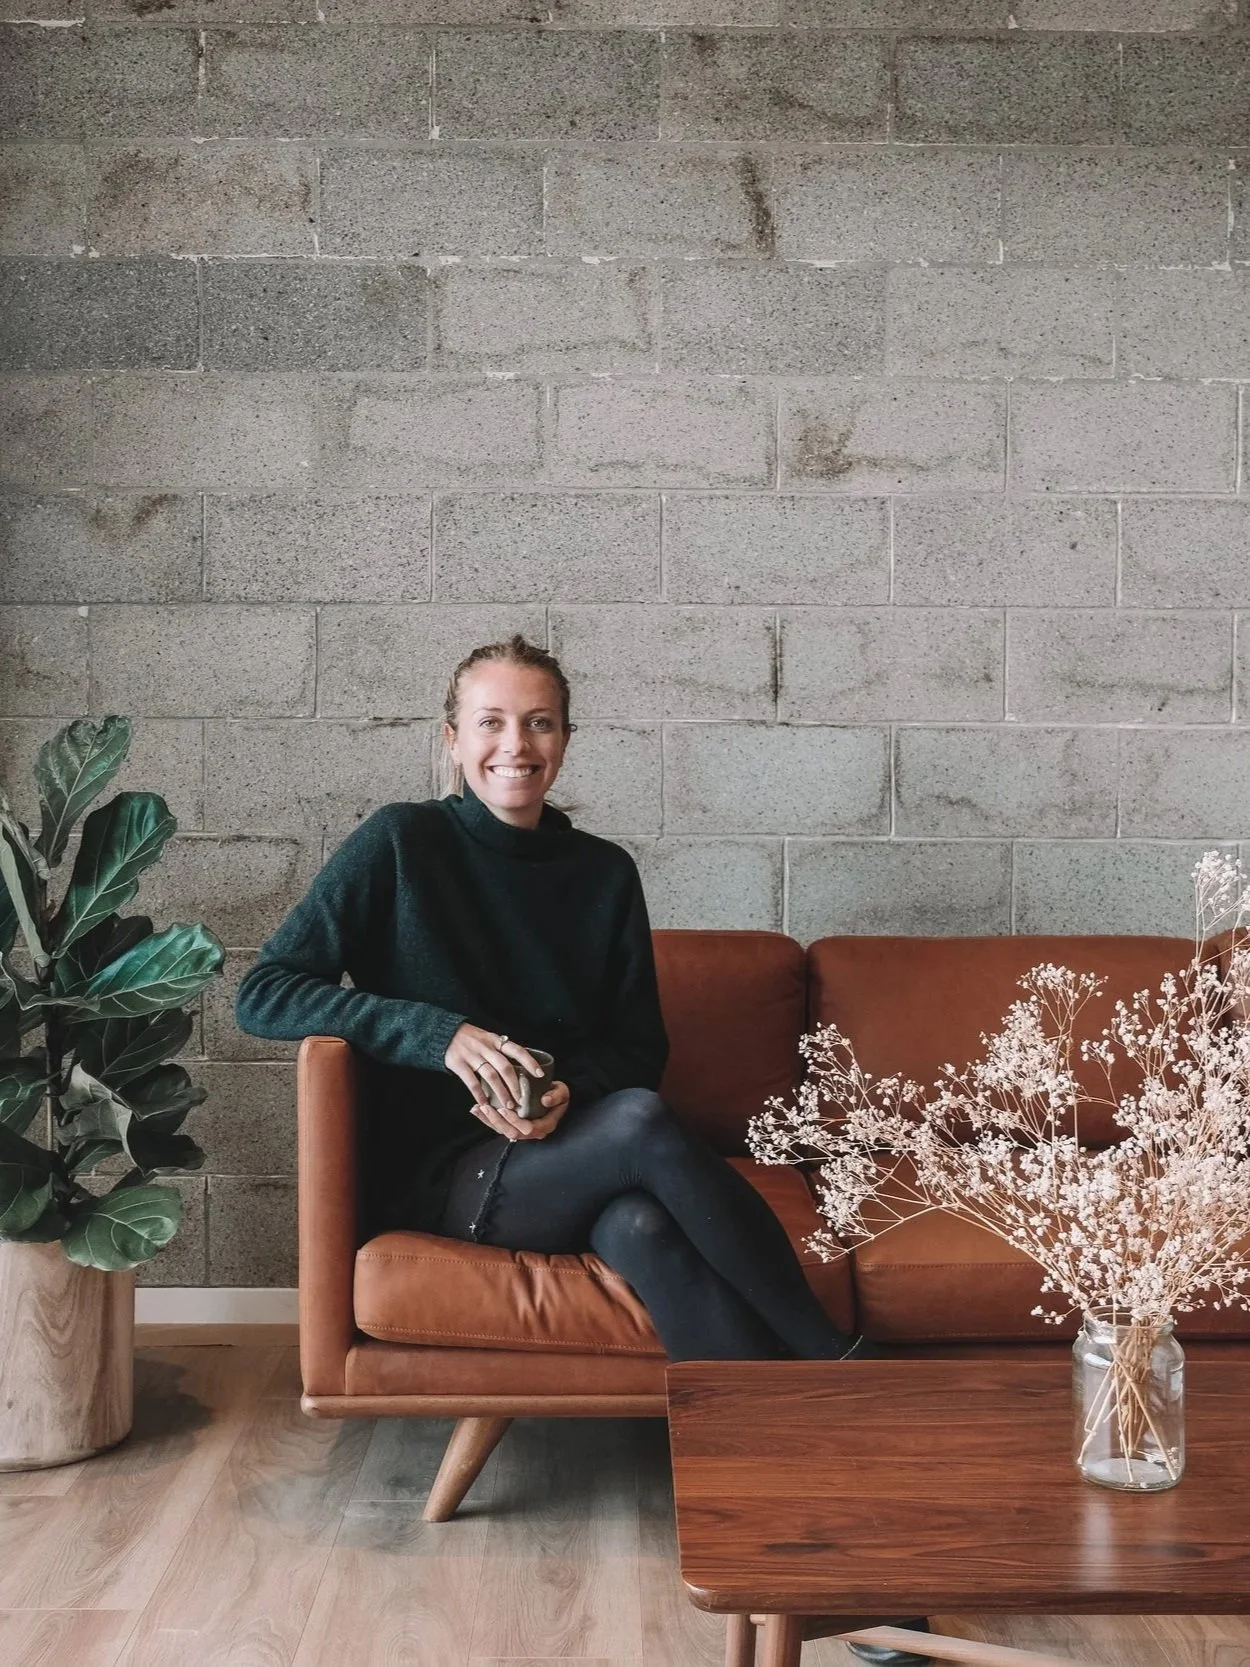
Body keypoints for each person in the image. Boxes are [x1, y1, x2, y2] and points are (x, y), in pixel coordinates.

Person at [234, 633, 930, 1667]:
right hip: (444, 1174)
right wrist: (438, 1033)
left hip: (564, 1153)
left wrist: (563, 1093)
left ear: (564, 739)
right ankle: (836, 1373)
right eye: (491, 722)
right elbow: (265, 989)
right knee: (647, 1133)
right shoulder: (399, 845)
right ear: (451, 738)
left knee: (641, 1218)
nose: (515, 745)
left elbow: (634, 1050)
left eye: (539, 722)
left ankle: (807, 1546)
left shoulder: (602, 873)